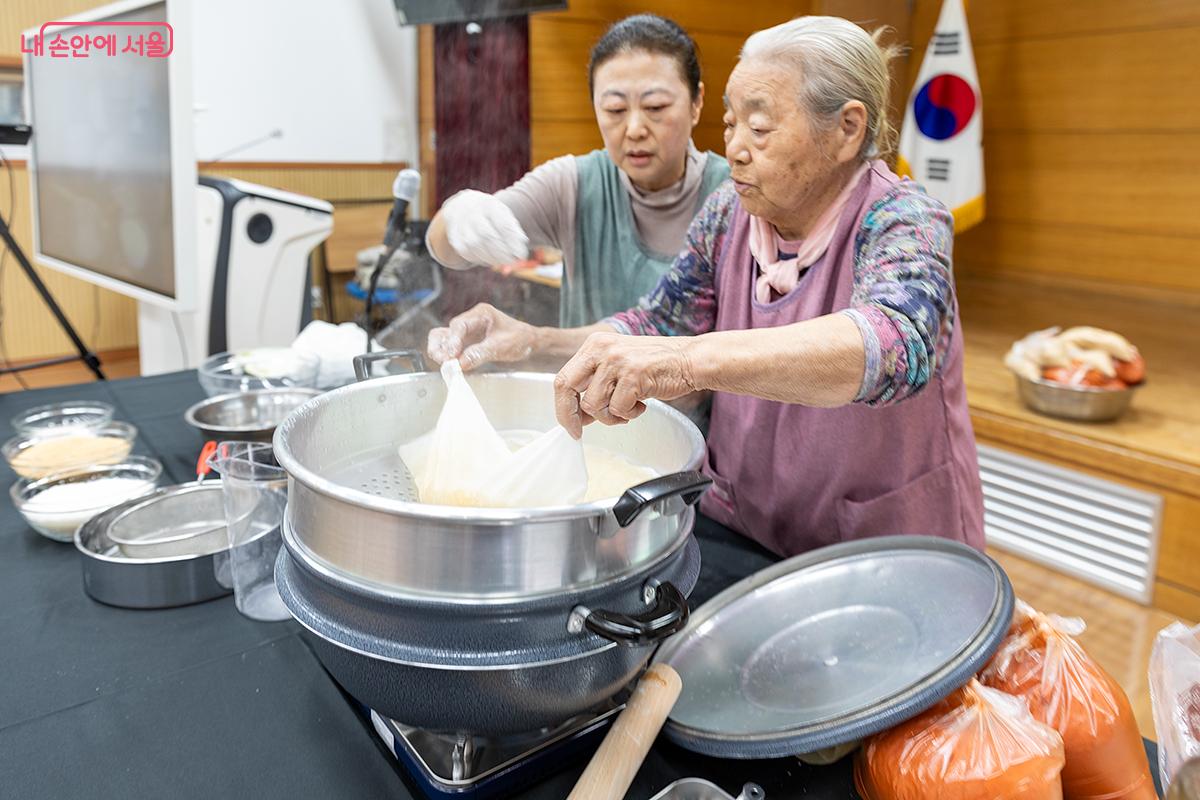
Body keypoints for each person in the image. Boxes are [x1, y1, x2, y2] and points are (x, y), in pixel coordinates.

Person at [427, 16, 985, 558]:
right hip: (745, 523)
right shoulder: (728, 213)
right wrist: (537, 342)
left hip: (882, 545)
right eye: (730, 123)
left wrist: (686, 360)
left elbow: (894, 345)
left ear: (847, 130)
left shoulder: (903, 217)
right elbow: (660, 323)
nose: (735, 147)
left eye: (759, 129)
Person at [425, 14, 730, 328]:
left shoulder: (733, 193)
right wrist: (458, 216)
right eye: (615, 110)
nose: (635, 129)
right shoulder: (574, 184)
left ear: (696, 103)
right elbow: (441, 247)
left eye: (656, 107)